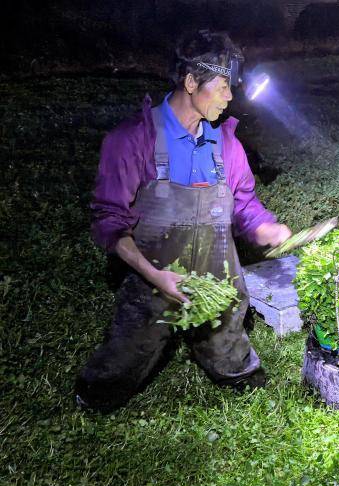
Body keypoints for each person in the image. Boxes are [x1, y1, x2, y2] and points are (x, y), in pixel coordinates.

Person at [75, 30, 291, 411]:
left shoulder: (227, 144)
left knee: (230, 342)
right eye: (222, 87)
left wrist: (265, 227)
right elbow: (110, 222)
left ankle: (233, 367)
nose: (229, 97)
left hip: (215, 277)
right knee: (124, 358)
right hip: (152, 276)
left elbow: (245, 204)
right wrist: (155, 276)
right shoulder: (132, 140)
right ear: (191, 82)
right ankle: (95, 393)